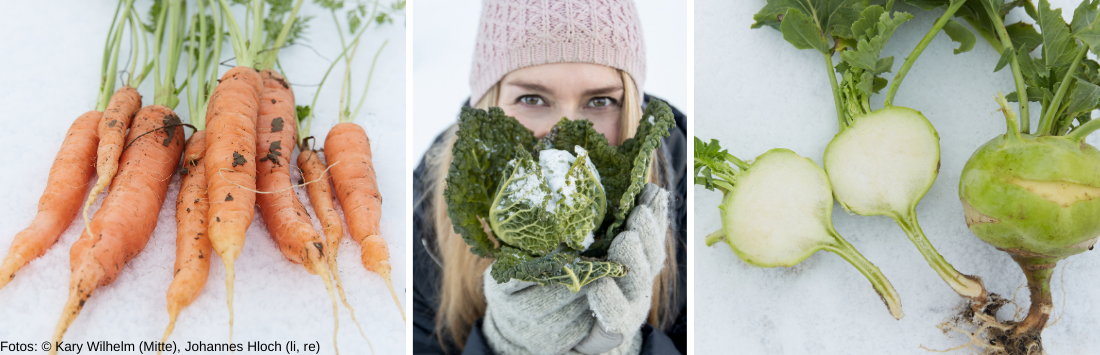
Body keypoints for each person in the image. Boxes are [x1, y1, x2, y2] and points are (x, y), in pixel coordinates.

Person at [412, 0, 686, 353]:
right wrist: (502, 346)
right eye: (532, 98)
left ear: (631, 105)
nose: (563, 133)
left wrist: (627, 348)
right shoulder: (426, 210)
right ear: (489, 103)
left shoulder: (690, 192)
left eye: (600, 101)